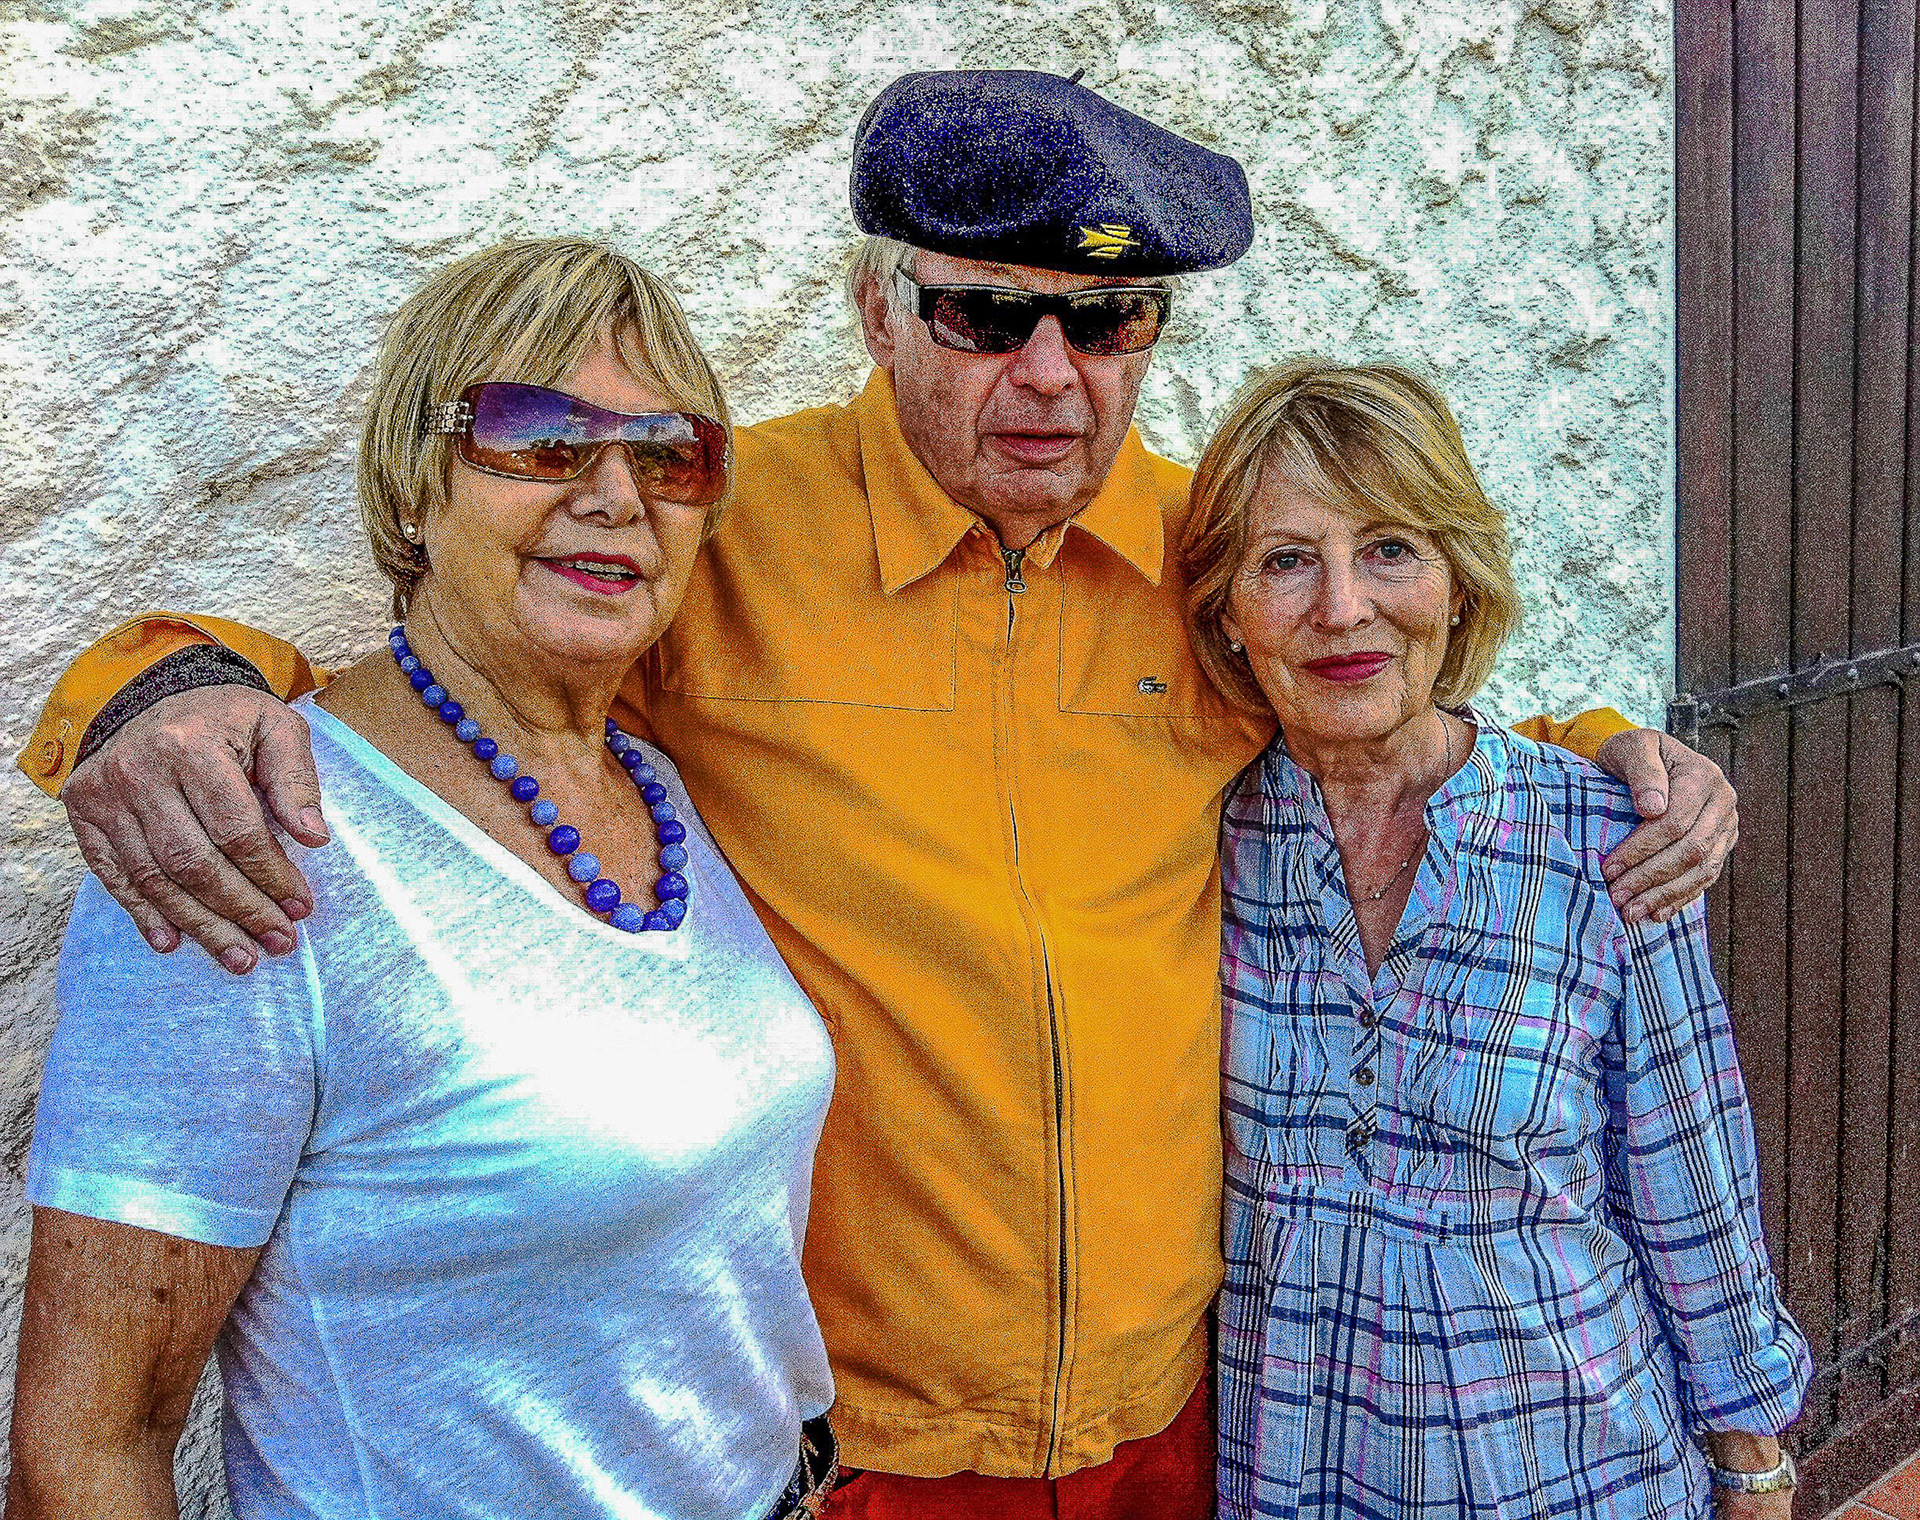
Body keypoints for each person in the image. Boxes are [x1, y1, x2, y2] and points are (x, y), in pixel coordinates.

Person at [19, 72, 1739, 1516]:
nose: (1049, 374)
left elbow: (1374, 694)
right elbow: (448, 677)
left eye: (1104, 321)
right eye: (985, 315)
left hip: (1177, 1427)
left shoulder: (1200, 551)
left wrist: (1608, 754)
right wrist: (162, 684)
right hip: (866, 1460)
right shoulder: (711, 521)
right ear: (877, 312)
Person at [6, 237, 840, 1520]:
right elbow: (89, 1444)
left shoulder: (659, 781)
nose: (615, 494)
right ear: (412, 484)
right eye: (540, 439)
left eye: (670, 454)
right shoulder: (243, 845)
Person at [1180, 361, 1807, 1519]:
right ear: (1225, 607)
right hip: (1299, 1474)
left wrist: (1754, 1464)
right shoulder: (1195, 840)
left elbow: (1692, 1184)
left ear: (1459, 583)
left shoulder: (1602, 839)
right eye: (1286, 560)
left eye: (1389, 548)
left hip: (1576, 1472)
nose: (1342, 607)